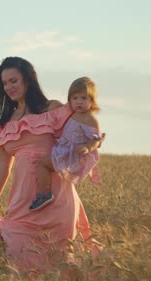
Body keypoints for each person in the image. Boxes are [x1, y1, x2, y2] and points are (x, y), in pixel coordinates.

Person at [0, 57, 96, 274]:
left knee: (62, 264)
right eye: (4, 83)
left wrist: (90, 145)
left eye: (13, 80)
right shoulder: (5, 123)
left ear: (28, 79)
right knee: (18, 258)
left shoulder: (52, 109)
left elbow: (83, 125)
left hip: (57, 200)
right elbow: (2, 167)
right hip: (22, 202)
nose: (8, 87)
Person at [30, 77, 104, 211]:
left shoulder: (90, 119)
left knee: (42, 163)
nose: (79, 102)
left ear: (92, 101)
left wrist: (87, 147)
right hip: (62, 150)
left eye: (83, 98)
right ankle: (43, 194)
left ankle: (43, 195)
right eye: (75, 98)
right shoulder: (71, 112)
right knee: (41, 163)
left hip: (71, 155)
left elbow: (95, 139)